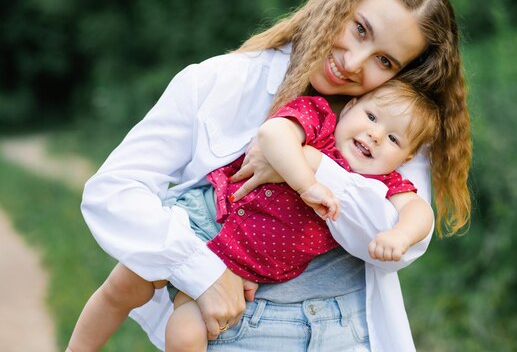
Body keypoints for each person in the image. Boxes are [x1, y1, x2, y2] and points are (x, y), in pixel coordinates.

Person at [68, 0, 472, 352]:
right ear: (339, 3)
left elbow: (397, 245)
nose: (352, 63)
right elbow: (113, 190)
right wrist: (201, 271)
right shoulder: (223, 80)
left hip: (349, 332)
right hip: (238, 328)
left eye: (384, 61)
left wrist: (312, 166)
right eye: (360, 29)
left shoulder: (393, 129)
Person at [68, 79, 440, 351]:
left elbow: (418, 211)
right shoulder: (321, 122)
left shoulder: (381, 183)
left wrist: (400, 235)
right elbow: (273, 134)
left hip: (241, 266)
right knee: (123, 287)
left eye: (394, 139)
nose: (376, 135)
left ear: (406, 159)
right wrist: (306, 182)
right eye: (372, 116)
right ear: (351, 105)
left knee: (185, 336)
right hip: (206, 218)